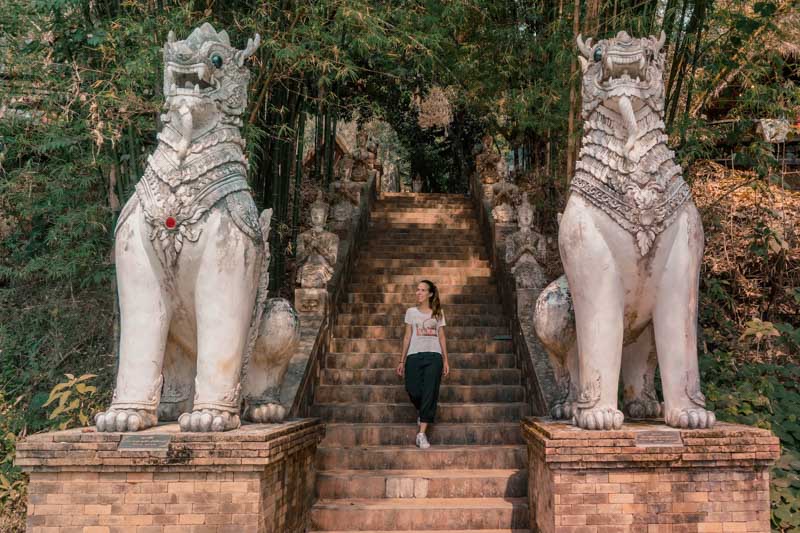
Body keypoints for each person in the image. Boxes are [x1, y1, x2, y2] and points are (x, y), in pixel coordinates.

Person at [396, 280, 450, 449]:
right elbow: (407, 337)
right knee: (412, 389)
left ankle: (422, 434)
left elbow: (441, 337)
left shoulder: (438, 312)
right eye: (417, 290)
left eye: (422, 290)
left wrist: (446, 360)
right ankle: (424, 411)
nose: (418, 293)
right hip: (414, 355)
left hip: (434, 357)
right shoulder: (411, 312)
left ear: (430, 294)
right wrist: (402, 360)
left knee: (429, 391)